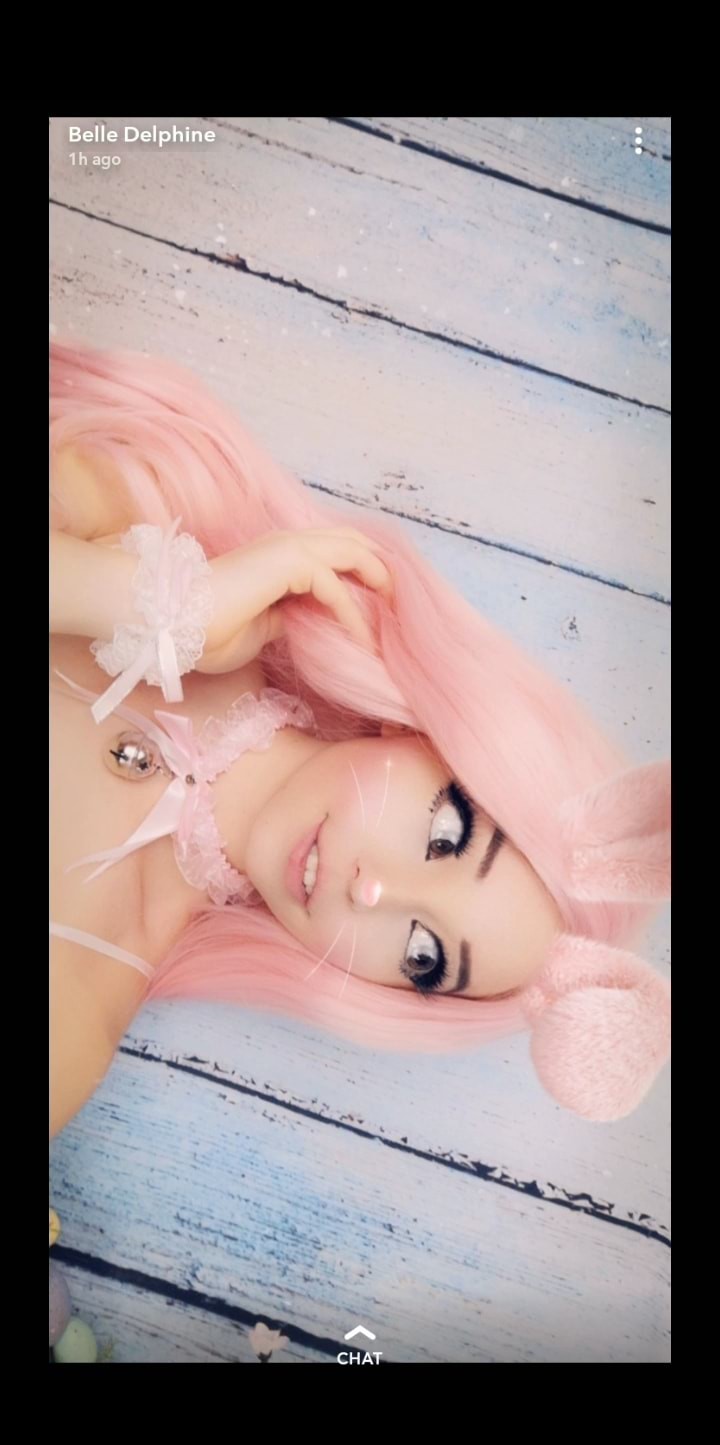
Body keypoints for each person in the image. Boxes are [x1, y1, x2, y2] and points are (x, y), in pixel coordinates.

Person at [49, 341, 671, 1138]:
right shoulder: (167, 513)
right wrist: (157, 607)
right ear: (422, 733)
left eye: (423, 955)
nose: (373, 891)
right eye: (445, 835)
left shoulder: (84, 996)